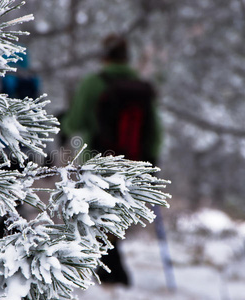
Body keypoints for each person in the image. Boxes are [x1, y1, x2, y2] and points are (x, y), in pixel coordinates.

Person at [62, 34, 162, 286]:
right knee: (114, 220)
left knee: (95, 219)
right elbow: (156, 133)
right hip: (133, 164)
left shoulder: (93, 83)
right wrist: (149, 160)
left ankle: (114, 276)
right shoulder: (141, 87)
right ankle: (114, 275)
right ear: (127, 57)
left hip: (98, 162)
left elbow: (75, 122)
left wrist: (64, 120)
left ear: (104, 55)